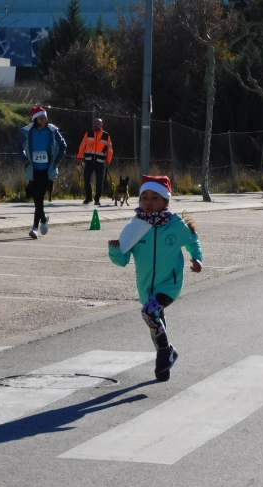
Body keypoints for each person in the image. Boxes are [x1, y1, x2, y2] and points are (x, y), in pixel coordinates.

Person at [108, 176, 203, 381]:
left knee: (149, 312)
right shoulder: (135, 227)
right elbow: (122, 260)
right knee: (155, 323)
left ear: (166, 201)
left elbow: (192, 241)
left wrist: (197, 258)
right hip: (146, 287)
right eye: (145, 197)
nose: (149, 202)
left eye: (155, 198)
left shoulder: (175, 225)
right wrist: (114, 250)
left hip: (170, 284)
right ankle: (164, 366)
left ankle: (164, 352)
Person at [17, 106, 67, 239]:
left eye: (45, 117)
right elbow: (18, 146)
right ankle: (43, 219)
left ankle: (34, 227)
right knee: (36, 198)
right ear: (35, 119)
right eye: (41, 118)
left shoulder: (52, 131)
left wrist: (56, 162)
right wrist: (24, 160)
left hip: (47, 169)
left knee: (39, 197)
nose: (44, 120)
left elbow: (63, 146)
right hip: (33, 170)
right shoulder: (28, 132)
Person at [77, 118, 114, 205]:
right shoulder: (88, 134)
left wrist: (108, 160)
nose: (95, 125)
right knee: (86, 180)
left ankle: (97, 199)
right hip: (89, 161)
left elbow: (110, 150)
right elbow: (82, 146)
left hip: (100, 162)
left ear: (101, 125)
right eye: (95, 123)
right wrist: (79, 157)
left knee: (99, 181)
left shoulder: (106, 136)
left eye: (98, 123)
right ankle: (88, 197)